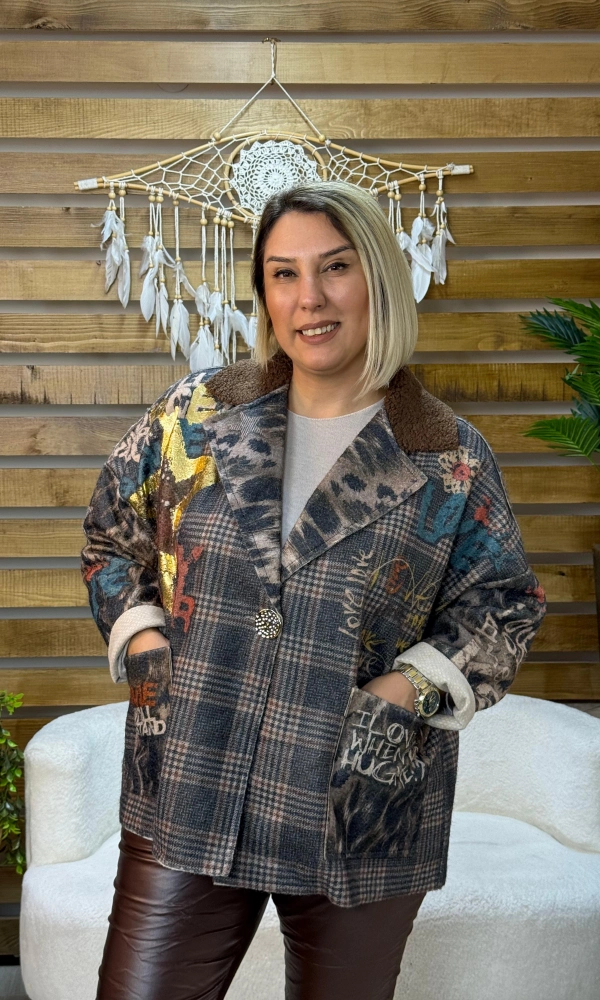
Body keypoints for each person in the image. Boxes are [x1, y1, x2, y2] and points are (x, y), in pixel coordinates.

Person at [81, 179, 547, 1000]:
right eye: (284, 273)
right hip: (187, 778)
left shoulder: (450, 456)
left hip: (358, 809)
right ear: (264, 292)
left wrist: (403, 692)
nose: (310, 299)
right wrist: (150, 653)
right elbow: (111, 537)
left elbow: (503, 605)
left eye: (335, 267)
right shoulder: (194, 414)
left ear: (377, 277)